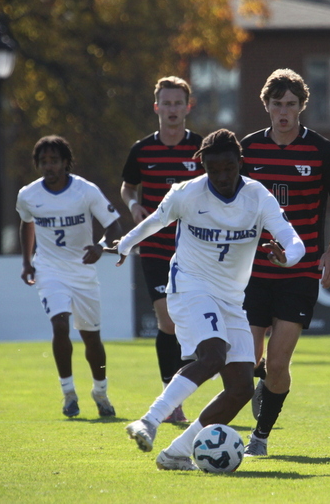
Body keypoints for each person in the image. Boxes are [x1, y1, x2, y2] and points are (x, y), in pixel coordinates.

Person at [105, 129, 304, 470]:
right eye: (214, 170)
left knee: (241, 387)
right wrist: (124, 244)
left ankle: (176, 454)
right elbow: (154, 221)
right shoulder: (187, 193)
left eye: (229, 167)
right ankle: (149, 422)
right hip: (190, 286)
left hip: (231, 299)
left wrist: (287, 257)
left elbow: (294, 241)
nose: (223, 177)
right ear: (204, 167)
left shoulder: (258, 197)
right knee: (213, 354)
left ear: (240, 162)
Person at [240, 68, 330, 456]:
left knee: (277, 362)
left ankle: (260, 437)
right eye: (278, 105)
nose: (284, 112)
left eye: (291, 104)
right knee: (246, 361)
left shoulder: (321, 150)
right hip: (252, 271)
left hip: (300, 272)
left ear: (302, 106)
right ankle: (253, 386)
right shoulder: (249, 150)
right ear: (267, 107)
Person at [16, 135, 122, 418]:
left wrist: (100, 247)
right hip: (49, 270)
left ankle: (100, 391)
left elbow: (114, 226)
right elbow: (26, 224)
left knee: (92, 340)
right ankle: (68, 393)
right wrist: (27, 262)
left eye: (54, 161)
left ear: (66, 163)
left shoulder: (85, 191)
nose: (48, 166)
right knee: (60, 326)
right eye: (43, 162)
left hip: (83, 273)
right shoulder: (28, 195)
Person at [120, 76, 204, 423]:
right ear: (157, 107)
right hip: (155, 247)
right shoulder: (142, 150)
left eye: (177, 103)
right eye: (165, 103)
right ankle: (173, 401)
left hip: (195, 249)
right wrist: (133, 206)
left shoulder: (201, 148)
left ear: (188, 106)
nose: (172, 109)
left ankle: (181, 393)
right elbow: (128, 187)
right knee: (167, 321)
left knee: (188, 326)